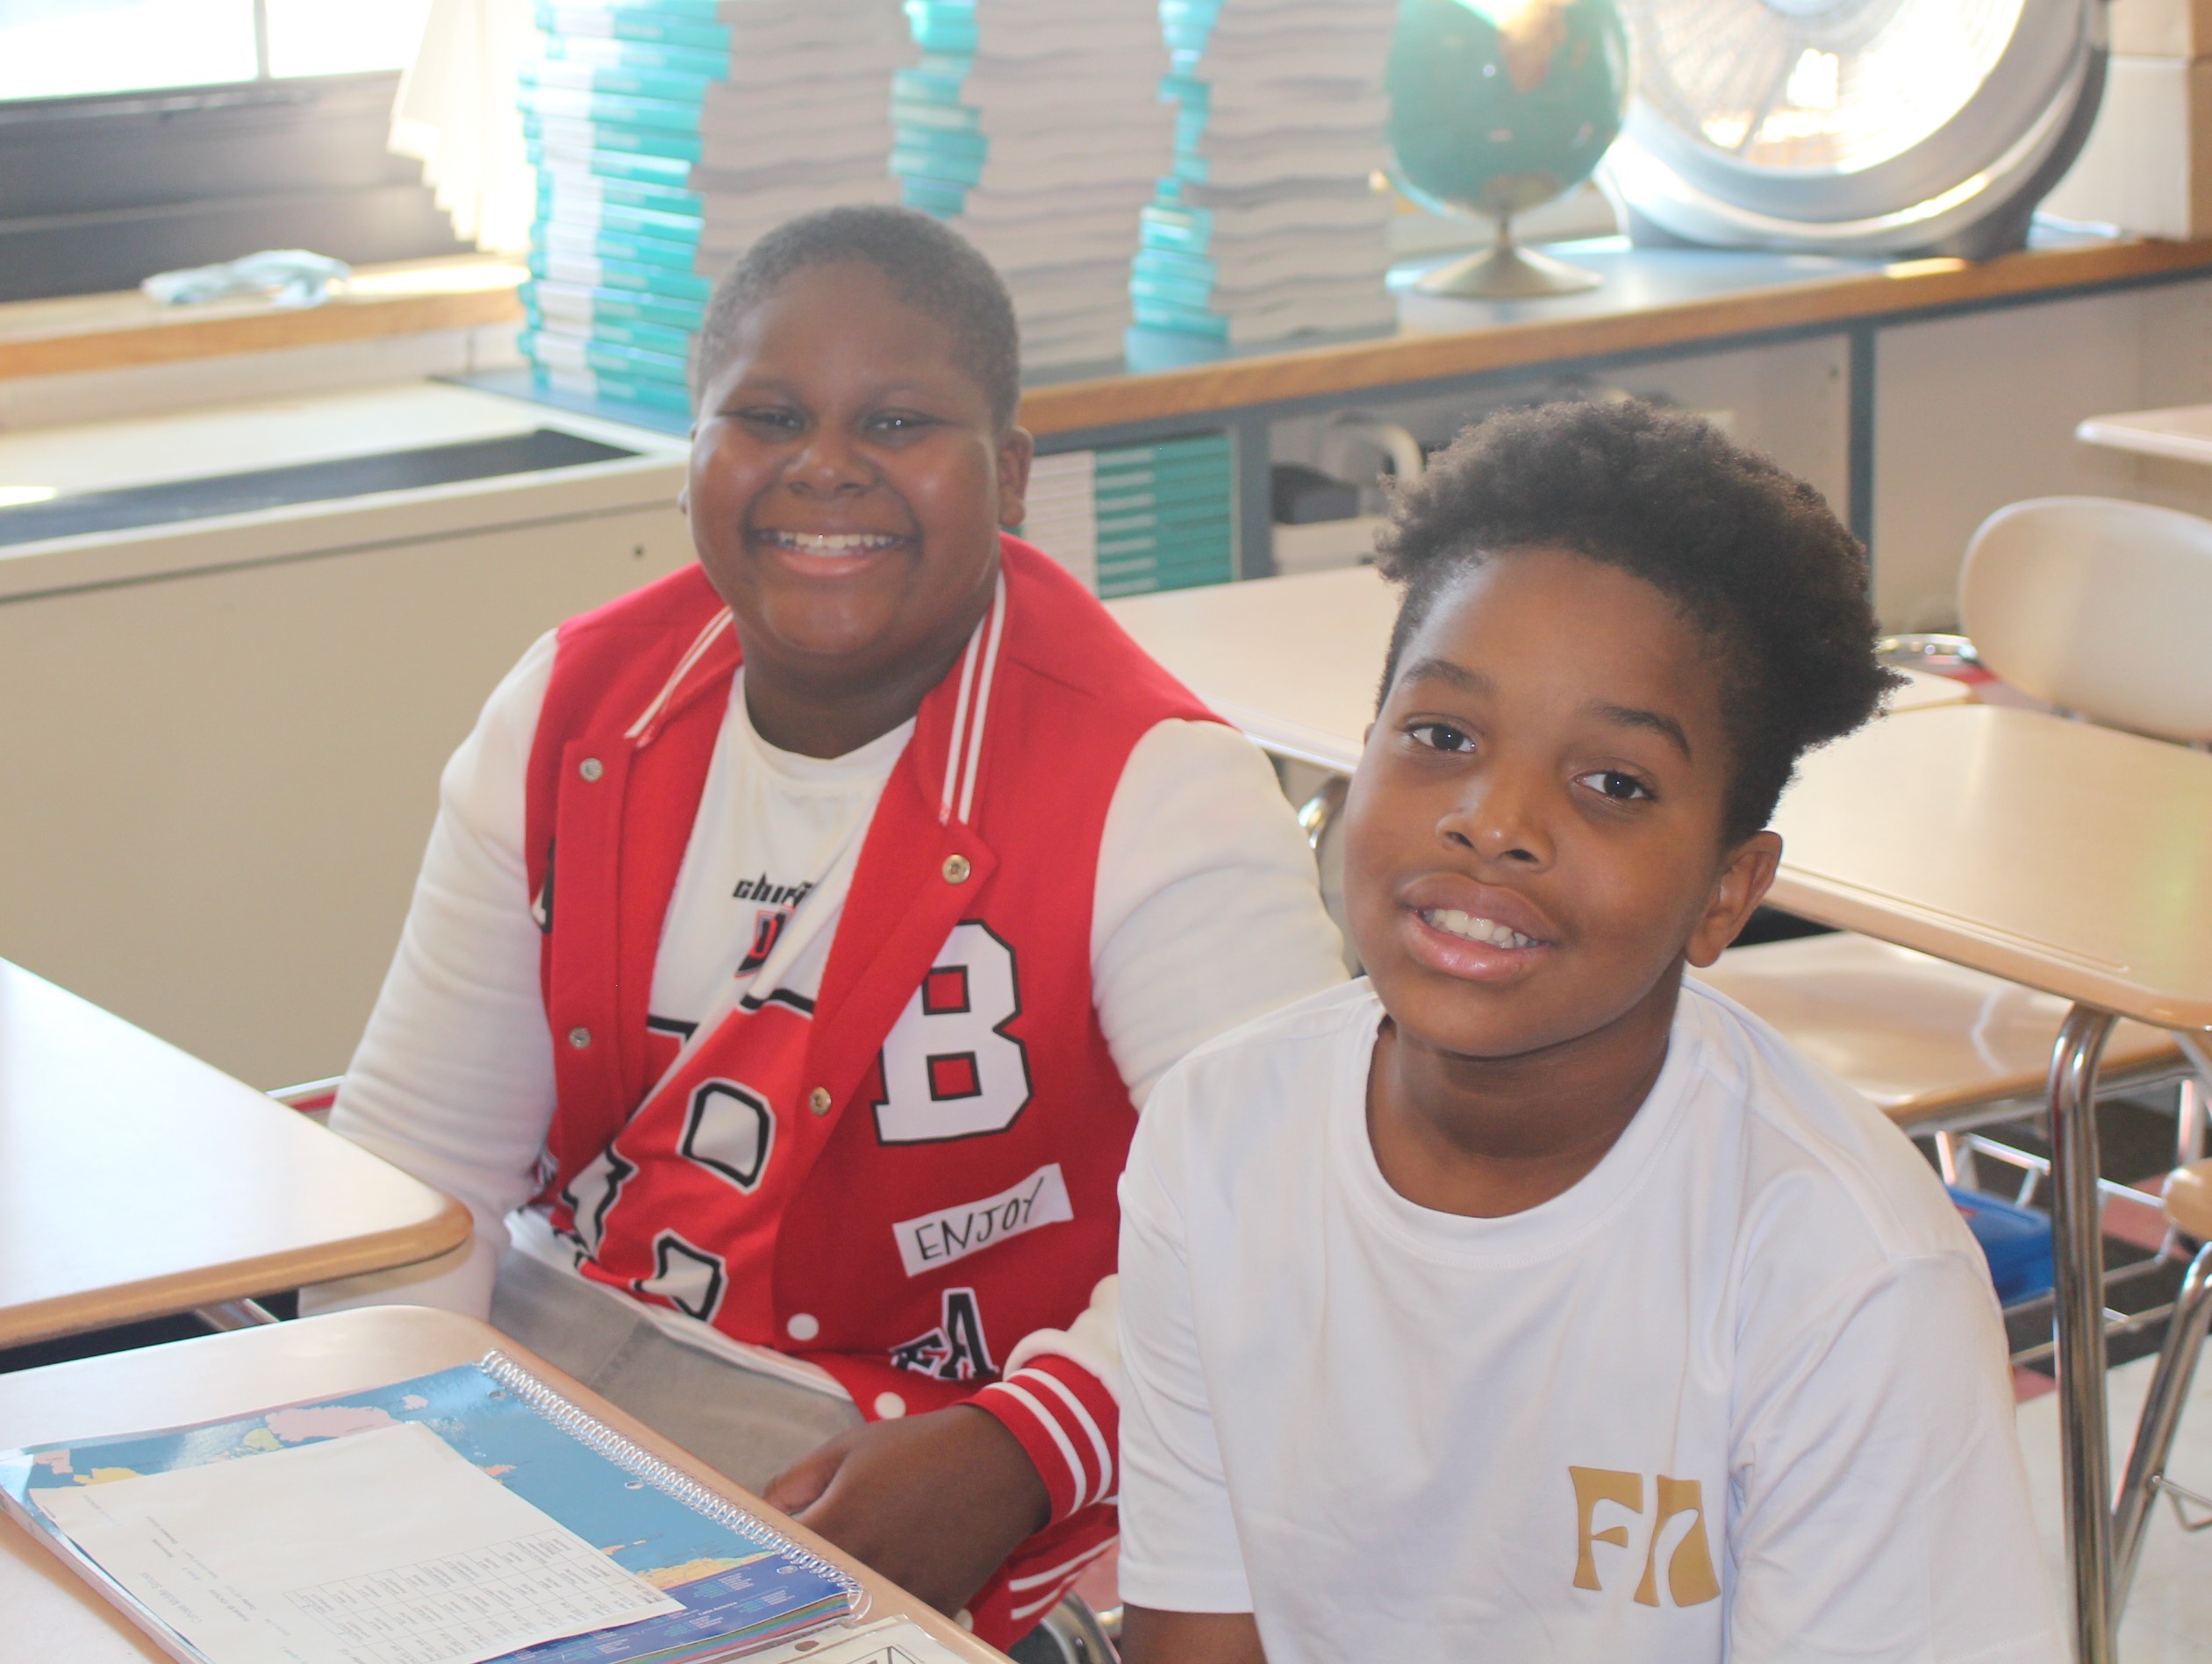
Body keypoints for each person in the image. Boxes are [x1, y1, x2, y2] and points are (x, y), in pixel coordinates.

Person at [305, 205, 1344, 1653]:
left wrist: (1022, 1445)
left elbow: (1293, 1238)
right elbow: (420, 1174)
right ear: (694, 459)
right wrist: (377, 1474)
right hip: (563, 1360)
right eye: (768, 415)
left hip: (916, 1437)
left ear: (1014, 475)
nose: (826, 464)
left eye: (901, 419)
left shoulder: (1157, 785)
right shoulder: (569, 709)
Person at [1113, 401, 2065, 1664]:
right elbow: (1197, 1637)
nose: (1492, 820)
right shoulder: (1217, 1133)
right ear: (1364, 750)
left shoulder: (1844, 1280)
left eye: (1612, 784)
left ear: (1727, 889)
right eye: (1441, 736)